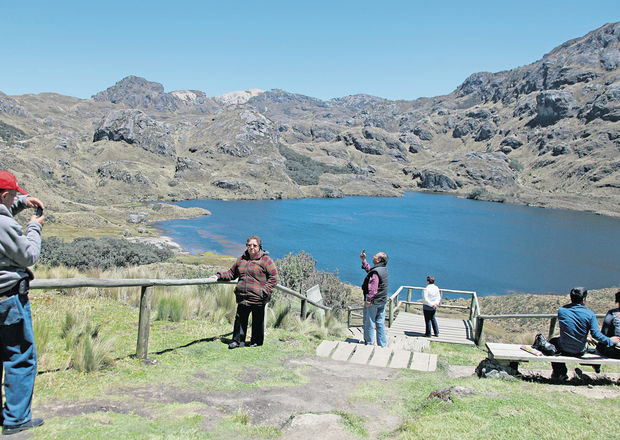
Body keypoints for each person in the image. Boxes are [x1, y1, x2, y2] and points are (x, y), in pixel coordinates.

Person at [0, 170, 45, 435]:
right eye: (14, 193)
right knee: (20, 357)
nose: (17, 195)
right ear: (5, 195)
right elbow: (28, 255)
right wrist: (35, 226)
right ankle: (16, 419)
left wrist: (22, 201)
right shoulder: (2, 224)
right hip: (8, 300)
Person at [209, 236, 278, 349]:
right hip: (243, 297)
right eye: (249, 245)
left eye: (254, 245)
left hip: (258, 298)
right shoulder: (241, 259)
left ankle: (256, 342)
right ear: (246, 246)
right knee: (240, 320)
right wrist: (218, 276)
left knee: (257, 321)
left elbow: (273, 277)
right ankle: (237, 341)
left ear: (259, 247)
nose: (251, 247)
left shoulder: (266, 260)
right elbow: (231, 273)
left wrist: (264, 291)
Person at [549, 287, 620, 380]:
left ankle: (560, 373)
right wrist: (609, 341)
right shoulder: (589, 314)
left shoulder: (562, 310)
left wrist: (583, 337)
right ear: (584, 299)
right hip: (580, 350)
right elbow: (595, 334)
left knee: (551, 342)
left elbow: (570, 328)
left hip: (563, 348)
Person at [360, 250, 389, 347]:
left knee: (369, 322)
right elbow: (370, 271)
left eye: (375, 256)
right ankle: (382, 344)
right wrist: (364, 260)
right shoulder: (383, 269)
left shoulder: (376, 272)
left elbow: (373, 287)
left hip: (373, 301)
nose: (373, 256)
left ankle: (369, 343)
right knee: (380, 322)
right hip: (382, 300)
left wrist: (369, 300)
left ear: (379, 260)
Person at [596, 290, 620, 359]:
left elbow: (604, 332)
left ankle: (597, 367)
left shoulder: (612, 313)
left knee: (601, 346)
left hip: (615, 351)